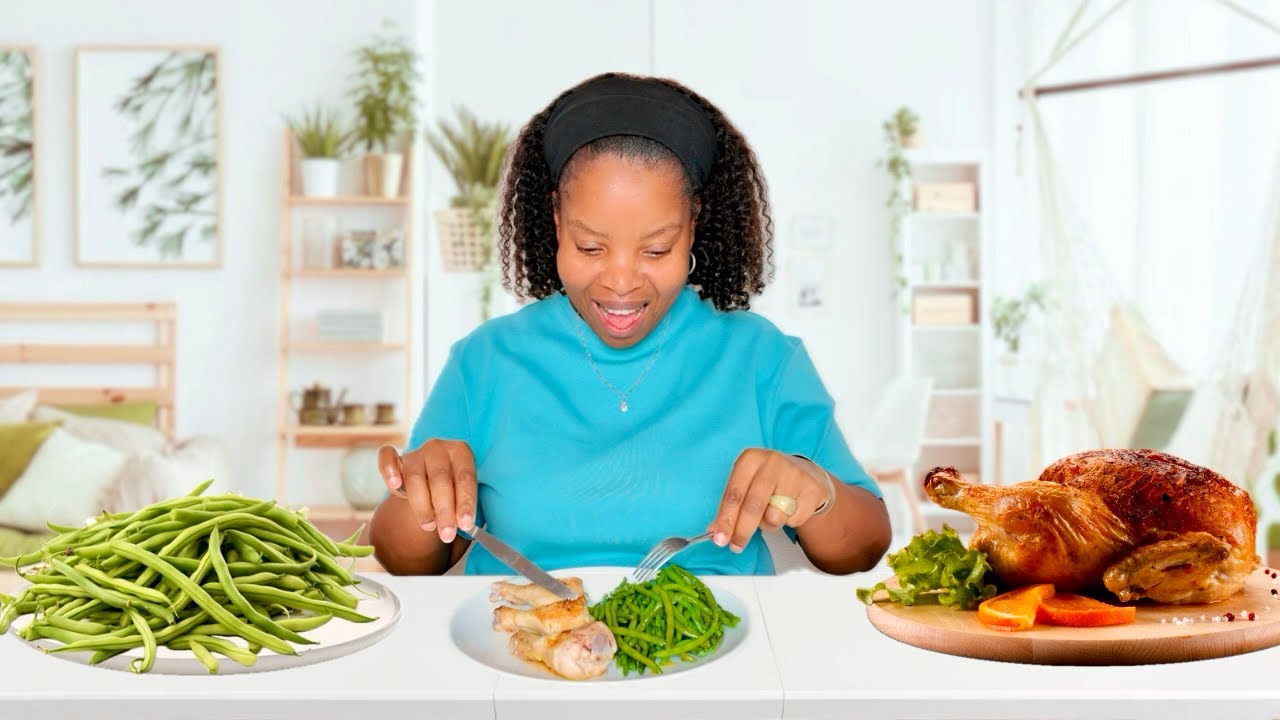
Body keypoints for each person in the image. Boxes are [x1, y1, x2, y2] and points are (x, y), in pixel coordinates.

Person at [370, 72, 891, 577]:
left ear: (693, 224)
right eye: (590, 246)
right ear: (555, 221)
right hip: (521, 644)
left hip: (718, 651)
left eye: (656, 249)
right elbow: (404, 559)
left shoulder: (762, 359)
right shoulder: (484, 361)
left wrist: (816, 493)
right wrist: (417, 494)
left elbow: (864, 545)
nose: (620, 283)